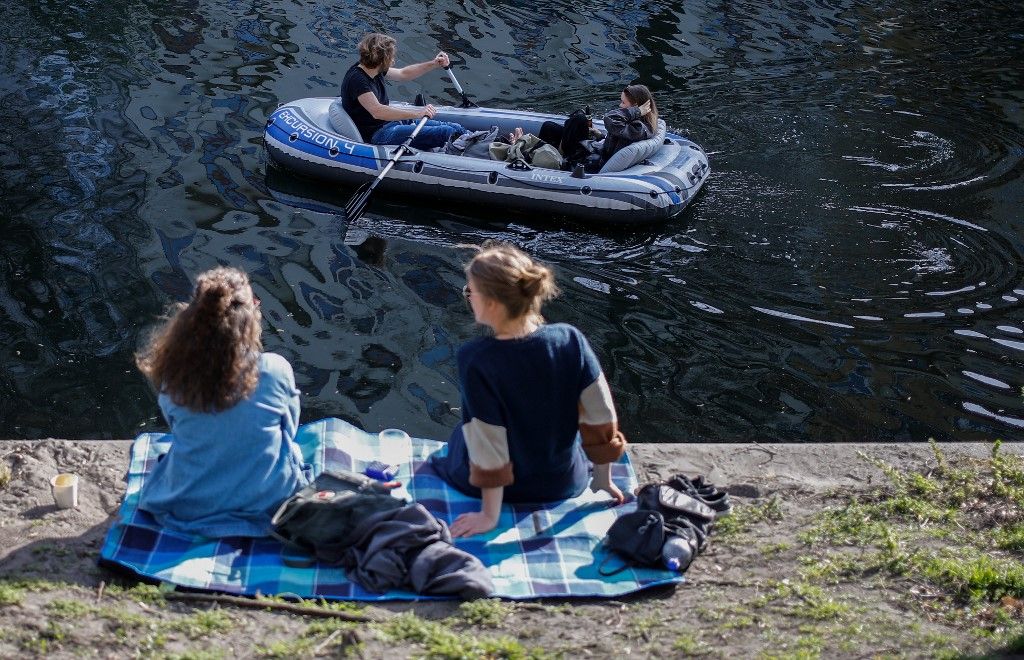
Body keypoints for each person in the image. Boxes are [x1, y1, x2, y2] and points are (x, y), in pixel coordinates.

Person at [430, 243, 628, 538]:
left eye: (470, 291)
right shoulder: (571, 340)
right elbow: (600, 415)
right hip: (563, 483)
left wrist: (488, 516)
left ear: (493, 304)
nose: (468, 298)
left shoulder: (476, 358)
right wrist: (602, 480)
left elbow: (488, 443)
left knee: (461, 434)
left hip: (503, 492)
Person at [135, 267, 310, 538]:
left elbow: (177, 427)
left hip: (191, 504)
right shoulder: (275, 369)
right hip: (269, 502)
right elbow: (289, 429)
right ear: (250, 316)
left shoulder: (174, 376)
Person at [341, 33, 466, 150]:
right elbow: (377, 112)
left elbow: (403, 74)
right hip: (378, 134)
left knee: (455, 127)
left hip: (390, 123)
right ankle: (479, 150)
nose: (393, 60)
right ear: (382, 60)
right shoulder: (358, 81)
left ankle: (482, 142)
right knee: (447, 132)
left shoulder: (372, 68)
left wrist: (434, 64)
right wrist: (417, 114)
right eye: (391, 57)